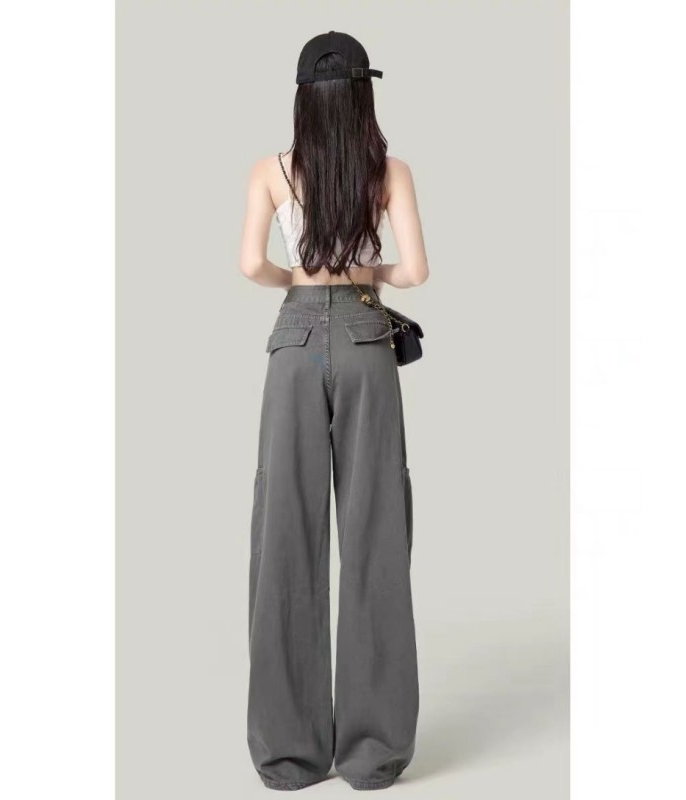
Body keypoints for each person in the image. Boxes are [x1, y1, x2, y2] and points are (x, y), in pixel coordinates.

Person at [238, 31, 429, 792]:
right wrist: (365, 271)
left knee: (284, 532)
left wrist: (298, 276)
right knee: (377, 531)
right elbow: (415, 271)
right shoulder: (390, 171)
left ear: (302, 99)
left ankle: (289, 755)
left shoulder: (272, 170)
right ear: (362, 94)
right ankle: (374, 754)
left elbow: (251, 264)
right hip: (364, 338)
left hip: (293, 341)